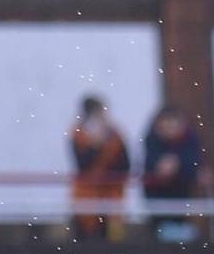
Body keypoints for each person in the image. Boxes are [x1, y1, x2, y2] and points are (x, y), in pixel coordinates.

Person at [68, 95, 130, 240]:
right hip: (86, 195)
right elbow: (82, 165)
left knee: (111, 237)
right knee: (85, 235)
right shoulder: (79, 135)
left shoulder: (115, 136)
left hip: (111, 194)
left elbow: (124, 165)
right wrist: (96, 146)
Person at [142, 105, 203, 243]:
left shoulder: (190, 140)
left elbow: (194, 163)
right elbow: (149, 164)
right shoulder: (152, 140)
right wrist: (160, 165)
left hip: (183, 195)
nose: (169, 131)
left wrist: (178, 163)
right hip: (157, 197)